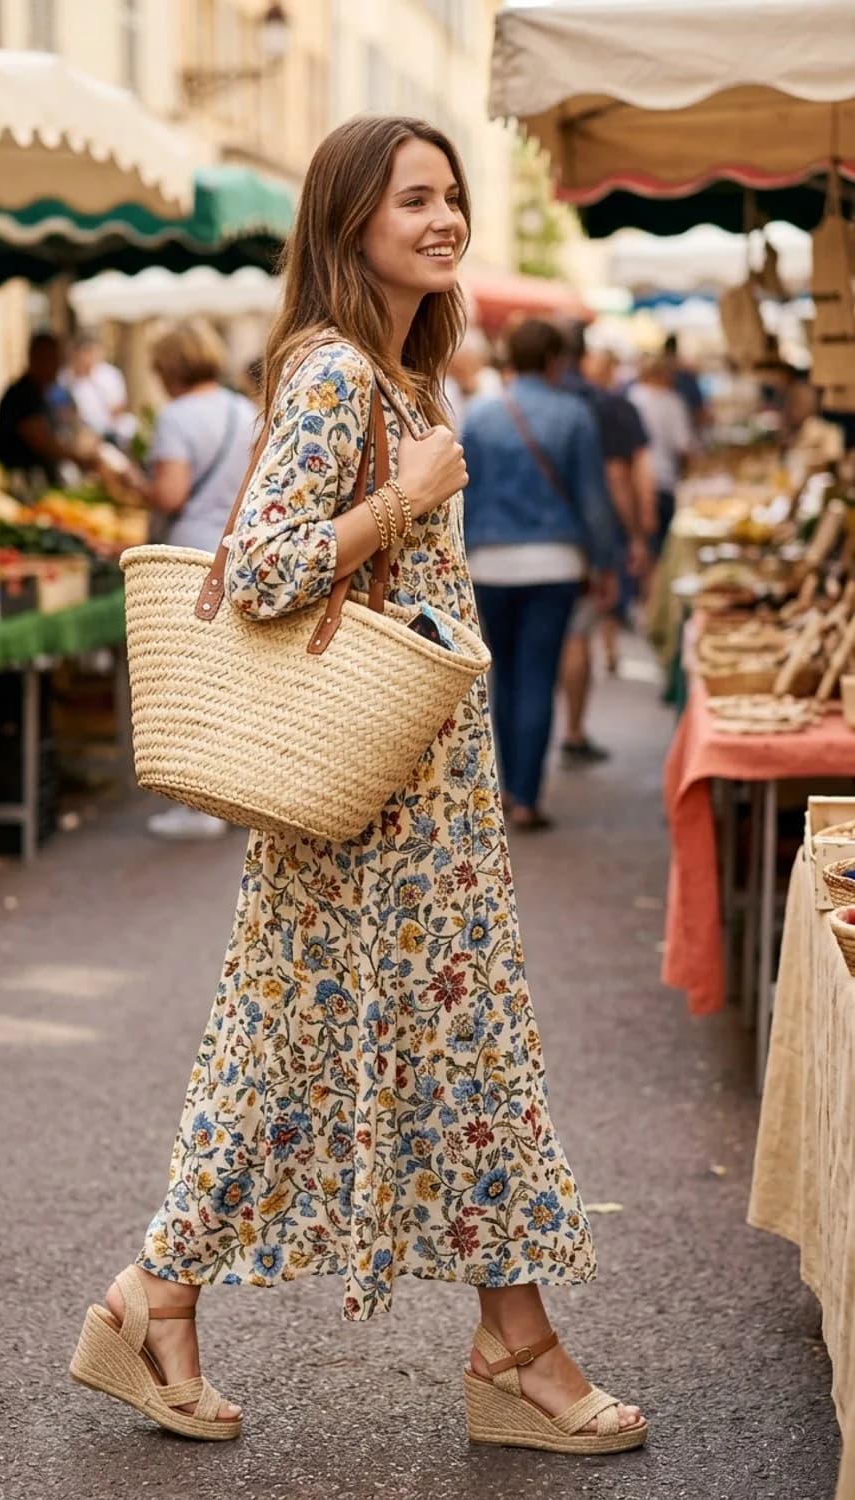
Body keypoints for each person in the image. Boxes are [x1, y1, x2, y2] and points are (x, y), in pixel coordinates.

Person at [68, 115, 645, 1455]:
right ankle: (513, 1351)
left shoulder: (395, 375)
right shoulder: (337, 373)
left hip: (409, 800)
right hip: (376, 810)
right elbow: (262, 567)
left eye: (451, 197)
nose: (444, 220)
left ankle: (160, 1302)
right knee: (451, 1055)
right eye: (413, 201)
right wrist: (406, 496)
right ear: (350, 224)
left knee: (311, 1060)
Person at [462, 318, 620, 829]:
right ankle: (527, 797)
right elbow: (593, 499)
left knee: (503, 676)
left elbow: (461, 494)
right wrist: (606, 563)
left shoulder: (479, 414)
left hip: (488, 562)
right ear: (556, 361)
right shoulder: (573, 414)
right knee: (537, 674)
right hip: (555, 562)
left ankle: (506, 790)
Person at [139, 318, 258, 842]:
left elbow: (170, 495)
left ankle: (198, 804)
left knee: (188, 684)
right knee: (228, 680)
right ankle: (234, 794)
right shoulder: (243, 409)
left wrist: (133, 485)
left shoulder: (176, 417)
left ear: (170, 368)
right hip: (236, 552)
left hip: (188, 559)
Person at [556, 326, 653, 755]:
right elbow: (618, 478)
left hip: (507, 550)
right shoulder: (604, 406)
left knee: (524, 660)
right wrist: (633, 535)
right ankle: (573, 731)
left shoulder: (499, 407)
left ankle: (522, 763)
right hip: (578, 542)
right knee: (577, 635)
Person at [0, 332, 97, 486]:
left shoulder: (42, 393)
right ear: (35, 358)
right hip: (23, 484)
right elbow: (42, 441)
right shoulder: (22, 395)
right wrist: (79, 458)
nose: (57, 367)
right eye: (52, 360)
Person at [628, 352, 694, 554]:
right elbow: (683, 445)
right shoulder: (671, 401)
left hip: (636, 483)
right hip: (663, 479)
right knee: (664, 549)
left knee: (645, 547)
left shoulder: (631, 397)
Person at [61, 331, 136, 447]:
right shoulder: (66, 378)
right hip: (80, 432)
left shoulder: (109, 374)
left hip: (108, 430)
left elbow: (119, 404)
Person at [663, 333, 708, 435]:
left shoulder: (685, 378)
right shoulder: (685, 378)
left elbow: (700, 410)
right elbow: (700, 410)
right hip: (686, 429)